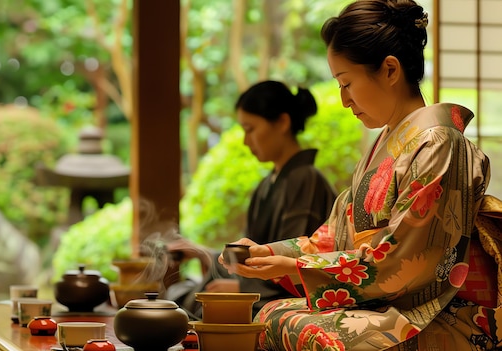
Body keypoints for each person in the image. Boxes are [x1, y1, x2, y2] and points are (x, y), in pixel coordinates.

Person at [219, 0, 498, 350]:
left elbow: (410, 262)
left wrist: (297, 266)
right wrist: (267, 254)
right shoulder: (386, 145)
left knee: (305, 330)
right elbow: (333, 237)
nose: (344, 100)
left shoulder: (440, 143)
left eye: (346, 83)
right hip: (383, 301)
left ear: (390, 70)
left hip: (434, 311)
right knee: (268, 316)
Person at [166, 80, 337, 318]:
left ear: (282, 123)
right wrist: (201, 252)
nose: (246, 142)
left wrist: (243, 289)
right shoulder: (268, 184)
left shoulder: (305, 179)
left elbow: (295, 257)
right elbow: (251, 254)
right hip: (259, 286)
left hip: (280, 297)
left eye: (250, 129)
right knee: (181, 294)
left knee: (188, 303)